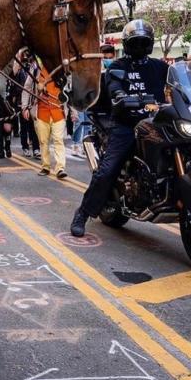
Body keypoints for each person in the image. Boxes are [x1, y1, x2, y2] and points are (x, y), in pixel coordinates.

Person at [70, 20, 168, 236]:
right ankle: (83, 213)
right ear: (127, 44)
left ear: (150, 45)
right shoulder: (118, 66)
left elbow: (177, 85)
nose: (140, 47)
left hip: (156, 123)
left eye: (144, 43)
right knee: (107, 170)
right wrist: (120, 96)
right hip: (126, 124)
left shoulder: (160, 67)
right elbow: (113, 85)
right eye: (136, 43)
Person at [24, 62, 68, 178]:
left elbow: (69, 92)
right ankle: (45, 166)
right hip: (41, 112)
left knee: (58, 140)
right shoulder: (35, 69)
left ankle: (60, 168)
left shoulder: (62, 69)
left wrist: (73, 111)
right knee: (43, 141)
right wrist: (25, 107)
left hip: (58, 112)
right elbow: (27, 88)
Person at [16, 50, 41, 159]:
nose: (28, 58)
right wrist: (24, 105)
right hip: (22, 100)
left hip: (34, 102)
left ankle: (36, 148)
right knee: (24, 126)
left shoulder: (36, 68)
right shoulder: (21, 69)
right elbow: (25, 86)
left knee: (35, 128)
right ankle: (25, 147)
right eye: (25, 56)